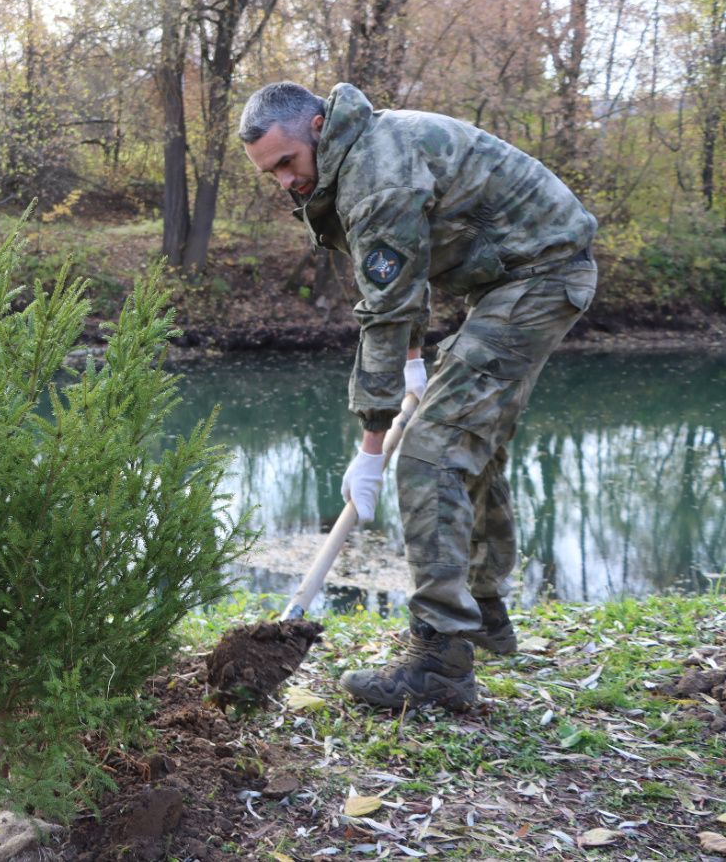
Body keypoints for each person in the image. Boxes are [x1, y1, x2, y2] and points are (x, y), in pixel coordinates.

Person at [238, 82, 597, 712]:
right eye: (271, 173)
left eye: (288, 163)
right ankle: (481, 611)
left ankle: (441, 661)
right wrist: (411, 367)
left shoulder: (377, 170)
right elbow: (409, 267)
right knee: (468, 446)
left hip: (539, 277)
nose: (285, 182)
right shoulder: (355, 155)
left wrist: (372, 447)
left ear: (319, 127)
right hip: (509, 281)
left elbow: (385, 305)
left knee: (430, 454)